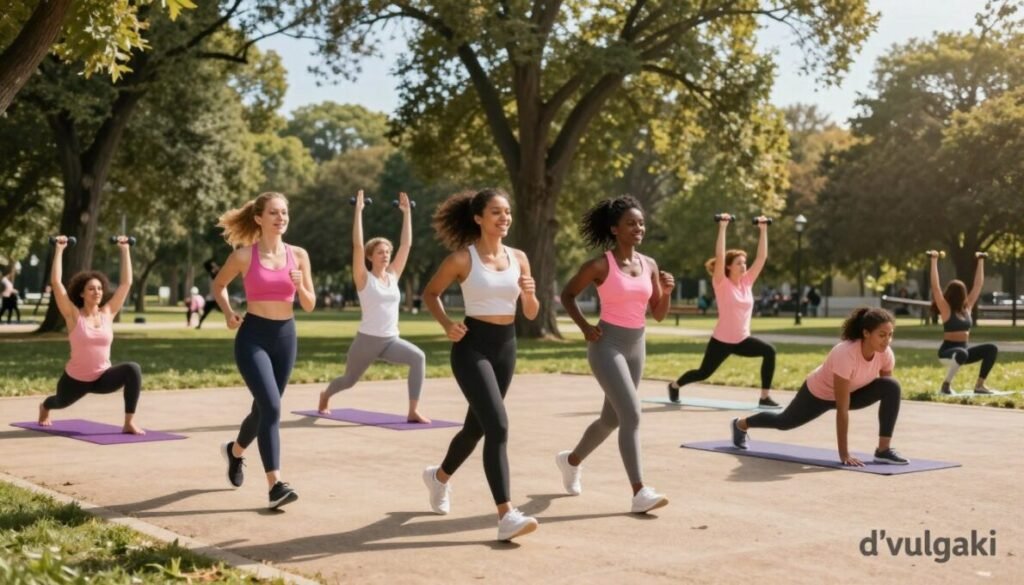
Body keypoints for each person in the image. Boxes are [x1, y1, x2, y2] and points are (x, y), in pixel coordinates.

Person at [420, 188, 540, 542]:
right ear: (478, 218)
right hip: (472, 348)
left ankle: (438, 477)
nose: (504, 218)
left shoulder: (519, 257)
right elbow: (431, 293)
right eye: (496, 213)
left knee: (477, 429)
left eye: (507, 212)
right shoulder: (462, 259)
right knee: (499, 426)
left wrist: (530, 294)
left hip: (507, 347)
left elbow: (531, 313)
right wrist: (446, 324)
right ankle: (506, 514)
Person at [556, 195, 673, 513]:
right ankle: (639, 491)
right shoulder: (599, 265)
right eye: (631, 223)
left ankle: (571, 461)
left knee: (611, 419)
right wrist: (584, 327)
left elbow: (659, 313)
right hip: (607, 346)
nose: (638, 228)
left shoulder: (649, 265)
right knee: (632, 415)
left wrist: (668, 291)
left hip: (637, 345)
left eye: (641, 223)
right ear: (615, 229)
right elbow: (567, 295)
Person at [213, 192, 316, 510]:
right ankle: (275, 485)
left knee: (263, 410)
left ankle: (235, 451)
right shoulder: (244, 256)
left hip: (285, 337)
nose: (281, 218)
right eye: (274, 213)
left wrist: (299, 285)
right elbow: (218, 286)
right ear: (259, 218)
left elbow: (310, 305)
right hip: (253, 336)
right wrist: (230, 313)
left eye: (284, 212)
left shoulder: (298, 255)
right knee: (271, 407)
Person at [730, 307, 908, 466]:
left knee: (892, 386)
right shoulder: (845, 353)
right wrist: (844, 454)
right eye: (882, 335)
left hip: (852, 392)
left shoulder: (885, 355)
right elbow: (842, 410)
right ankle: (741, 424)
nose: (887, 341)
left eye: (890, 335)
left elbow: (884, 388)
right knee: (784, 422)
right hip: (818, 394)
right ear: (866, 333)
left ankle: (883, 451)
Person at [317, 190, 429, 423]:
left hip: (391, 340)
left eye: (388, 252)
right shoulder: (364, 278)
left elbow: (406, 245)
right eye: (380, 252)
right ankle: (325, 395)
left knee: (418, 357)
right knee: (348, 381)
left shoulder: (393, 276)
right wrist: (358, 211)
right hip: (367, 340)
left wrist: (407, 213)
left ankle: (413, 410)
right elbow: (357, 245)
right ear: (370, 256)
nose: (386, 255)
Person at [667, 214, 779, 407]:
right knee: (703, 373)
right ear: (728, 266)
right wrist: (723, 227)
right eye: (739, 263)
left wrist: (763, 229)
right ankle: (675, 385)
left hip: (742, 339)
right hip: (722, 341)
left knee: (769, 351)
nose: (744, 265)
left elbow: (761, 258)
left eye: (744, 262)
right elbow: (720, 255)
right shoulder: (721, 283)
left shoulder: (746, 283)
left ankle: (764, 397)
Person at [38, 236, 144, 434]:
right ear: (81, 293)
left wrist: (125, 249)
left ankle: (129, 422)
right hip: (75, 380)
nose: (97, 292)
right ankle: (44, 407)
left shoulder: (108, 313)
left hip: (103, 378)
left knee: (133, 369)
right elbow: (56, 283)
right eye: (91, 289)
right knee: (59, 402)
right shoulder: (73, 315)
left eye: (100, 288)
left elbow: (125, 284)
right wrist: (59, 250)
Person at [929, 251, 998, 394]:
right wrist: (934, 260)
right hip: (947, 353)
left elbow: (978, 285)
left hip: (963, 353)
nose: (965, 296)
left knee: (992, 348)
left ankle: (979, 385)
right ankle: (946, 385)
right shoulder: (946, 309)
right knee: (962, 353)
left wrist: (981, 260)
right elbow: (936, 288)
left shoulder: (967, 308)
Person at [196, 259, 222, 329]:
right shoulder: (213, 273)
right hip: (215, 298)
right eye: (214, 264)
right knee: (205, 312)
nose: (216, 265)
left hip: (214, 298)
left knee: (205, 312)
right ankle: (199, 324)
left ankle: (199, 324)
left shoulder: (214, 273)